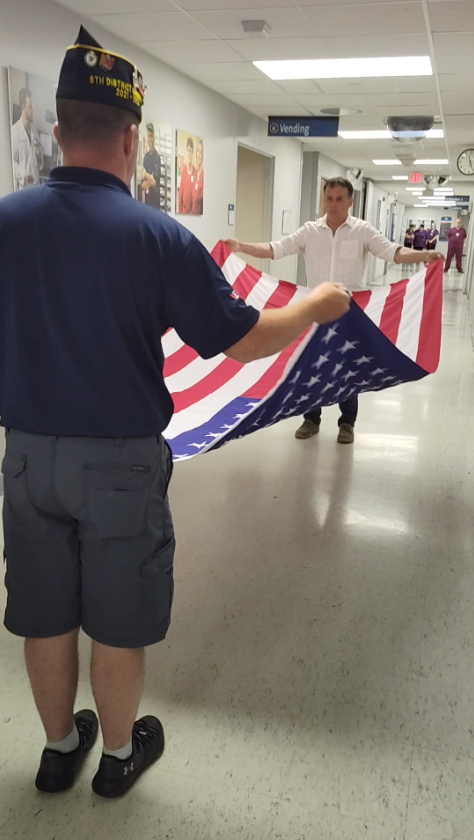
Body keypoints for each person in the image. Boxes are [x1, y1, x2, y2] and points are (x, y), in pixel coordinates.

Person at [0, 27, 350, 801]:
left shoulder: (7, 221)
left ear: (55, 131)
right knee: (117, 619)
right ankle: (119, 757)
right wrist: (313, 307)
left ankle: (60, 750)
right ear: (133, 141)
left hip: (24, 456)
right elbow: (241, 342)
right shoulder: (158, 236)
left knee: (45, 611)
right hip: (119, 463)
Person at [224, 178, 443, 444]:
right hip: (314, 309)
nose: (333, 204)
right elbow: (275, 250)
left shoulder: (362, 231)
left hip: (347, 311)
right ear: (323, 200)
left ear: (350, 202)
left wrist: (423, 256)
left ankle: (347, 423)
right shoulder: (310, 231)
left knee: (347, 366)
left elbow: (392, 253)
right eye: (329, 199)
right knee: (311, 363)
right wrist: (240, 247)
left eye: (340, 199)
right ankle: (310, 419)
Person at [11, 87, 44, 190]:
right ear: (23, 107)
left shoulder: (35, 132)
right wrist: (23, 175)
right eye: (30, 107)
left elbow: (40, 165)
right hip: (23, 189)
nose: (33, 110)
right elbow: (11, 162)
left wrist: (39, 157)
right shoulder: (14, 132)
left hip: (35, 187)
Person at [141, 121, 161, 209]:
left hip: (155, 203)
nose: (150, 139)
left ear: (154, 138)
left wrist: (145, 175)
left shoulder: (157, 158)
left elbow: (154, 182)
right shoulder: (145, 158)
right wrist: (151, 180)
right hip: (147, 202)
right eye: (148, 136)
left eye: (151, 136)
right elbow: (142, 186)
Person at [177, 135, 195, 214]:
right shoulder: (183, 172)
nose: (189, 153)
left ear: (193, 153)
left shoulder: (196, 173)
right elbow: (180, 196)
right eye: (188, 150)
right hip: (184, 213)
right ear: (186, 152)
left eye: (191, 151)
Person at [192, 138, 204, 215]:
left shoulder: (203, 175)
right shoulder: (194, 173)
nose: (199, 154)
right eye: (198, 151)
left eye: (201, 152)